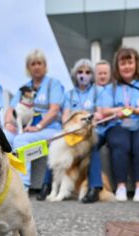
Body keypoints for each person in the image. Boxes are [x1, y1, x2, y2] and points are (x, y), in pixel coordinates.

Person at [36, 59, 105, 203]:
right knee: (56, 148)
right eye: (80, 72)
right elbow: (65, 116)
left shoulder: (97, 92)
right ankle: (47, 184)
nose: (83, 75)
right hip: (71, 130)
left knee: (93, 147)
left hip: (90, 131)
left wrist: (94, 119)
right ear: (75, 74)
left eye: (87, 72)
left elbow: (100, 113)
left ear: (91, 75)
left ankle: (94, 187)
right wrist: (70, 127)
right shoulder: (69, 94)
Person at [97, 47, 139, 202]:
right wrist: (118, 110)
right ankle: (121, 186)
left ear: (136, 63)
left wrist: (134, 111)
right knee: (119, 143)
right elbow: (104, 110)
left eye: (130, 62)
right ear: (117, 66)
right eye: (122, 63)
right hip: (119, 125)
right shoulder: (111, 87)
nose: (126, 66)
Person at [3, 49, 64, 189]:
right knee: (4, 137)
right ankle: (3, 185)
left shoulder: (53, 84)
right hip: (25, 128)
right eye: (33, 64)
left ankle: (22, 186)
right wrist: (7, 123)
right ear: (28, 67)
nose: (36, 67)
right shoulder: (24, 88)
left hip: (49, 129)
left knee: (20, 140)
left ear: (45, 65)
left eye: (39, 63)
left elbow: (54, 110)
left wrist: (38, 127)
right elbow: (11, 110)